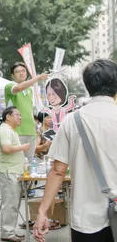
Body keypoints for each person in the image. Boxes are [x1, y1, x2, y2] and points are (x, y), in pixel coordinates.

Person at [34, 59, 117, 242]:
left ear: (88, 86)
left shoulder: (73, 121)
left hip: (86, 219)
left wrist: (42, 212)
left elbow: (58, 171)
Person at [0, 106, 31, 242]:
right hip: (8, 171)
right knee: (10, 203)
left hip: (13, 171)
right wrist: (23, 147)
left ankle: (10, 231)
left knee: (13, 203)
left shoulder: (10, 131)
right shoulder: (5, 130)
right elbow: (6, 148)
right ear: (8, 117)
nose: (20, 117)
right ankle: (8, 233)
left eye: (20, 115)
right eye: (17, 115)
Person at [4, 62, 48, 160]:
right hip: (17, 131)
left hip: (31, 131)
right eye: (17, 72)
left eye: (23, 71)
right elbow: (19, 87)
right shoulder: (9, 86)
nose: (21, 73)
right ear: (12, 75)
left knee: (30, 162)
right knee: (17, 161)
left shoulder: (30, 90)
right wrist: (37, 78)